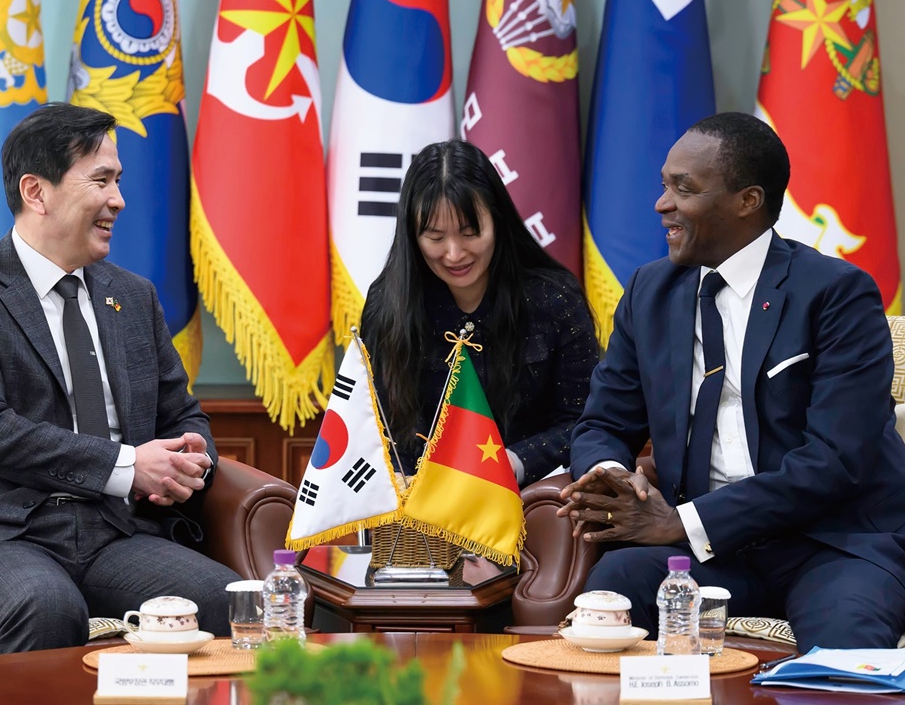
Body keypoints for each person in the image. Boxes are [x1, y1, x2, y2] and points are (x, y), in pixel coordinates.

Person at [558, 112, 905, 652]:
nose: (662, 204)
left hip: (830, 543)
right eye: (664, 185)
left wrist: (683, 522)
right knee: (614, 592)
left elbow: (836, 461)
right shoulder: (651, 291)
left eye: (684, 189)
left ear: (748, 201)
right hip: (716, 554)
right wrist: (611, 480)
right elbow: (604, 420)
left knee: (845, 650)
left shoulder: (835, 294)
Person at [0, 102, 241, 652]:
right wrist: (130, 466)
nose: (119, 199)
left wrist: (189, 457)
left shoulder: (133, 297)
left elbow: (180, 413)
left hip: (113, 532)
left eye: (119, 181)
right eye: (102, 180)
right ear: (36, 192)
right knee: (48, 607)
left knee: (232, 599)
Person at [360, 139, 598, 488]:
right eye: (435, 237)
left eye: (471, 233)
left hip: (534, 501)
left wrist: (513, 463)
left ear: (498, 221)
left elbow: (586, 421)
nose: (455, 253)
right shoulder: (387, 305)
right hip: (421, 514)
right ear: (413, 236)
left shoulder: (555, 300)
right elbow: (373, 421)